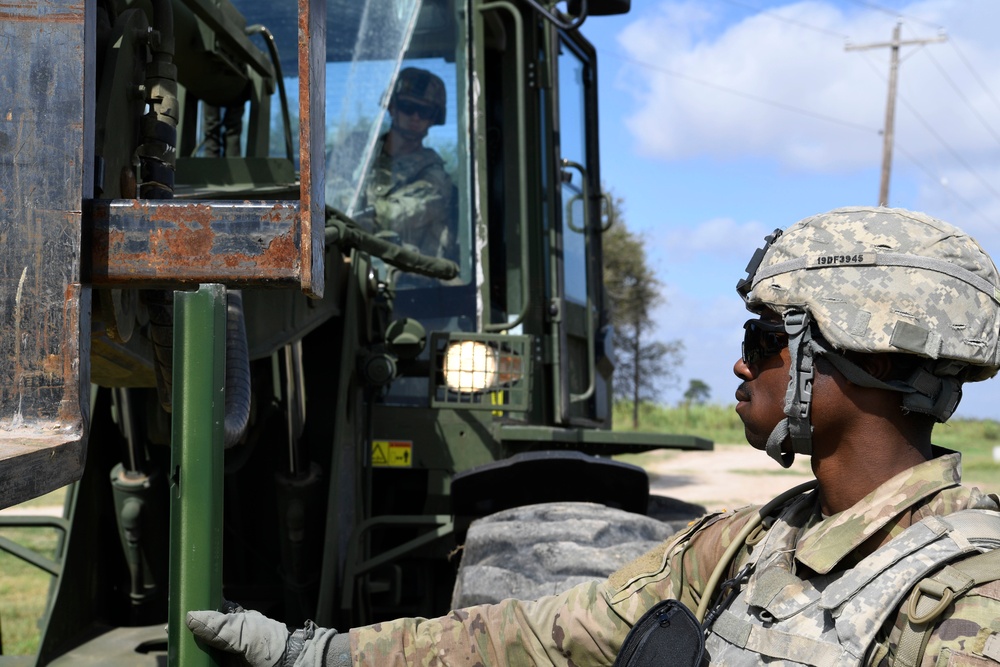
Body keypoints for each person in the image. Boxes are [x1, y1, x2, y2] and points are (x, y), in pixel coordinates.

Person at [187, 206, 1000, 666]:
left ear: (853, 356)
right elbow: (536, 632)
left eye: (763, 339)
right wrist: (311, 654)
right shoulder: (746, 545)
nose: (739, 362)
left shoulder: (971, 597)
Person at [351, 66, 455, 260]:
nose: (415, 117)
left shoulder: (434, 178)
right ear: (392, 107)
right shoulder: (358, 153)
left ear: (433, 119)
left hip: (407, 282)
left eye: (424, 112)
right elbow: (326, 190)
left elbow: (392, 216)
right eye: (408, 107)